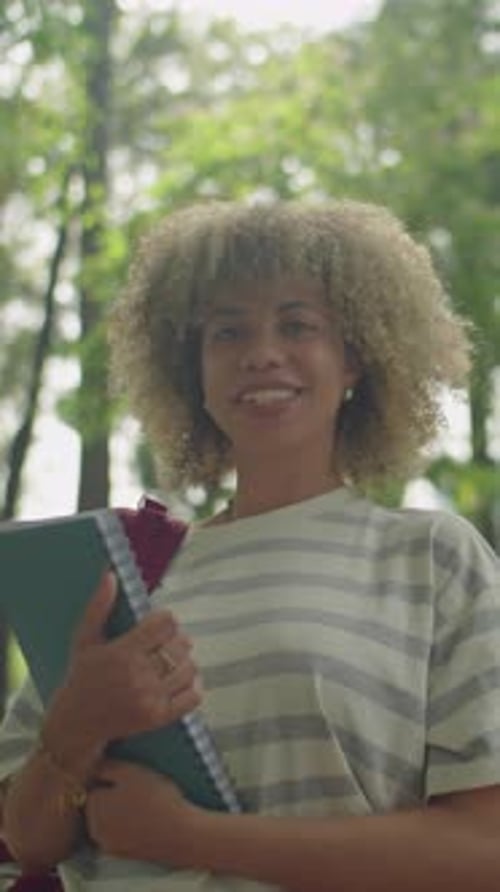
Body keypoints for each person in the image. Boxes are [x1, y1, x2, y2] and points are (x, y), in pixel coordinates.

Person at [0, 199, 499, 892]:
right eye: (227, 332)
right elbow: (24, 839)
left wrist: (194, 838)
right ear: (194, 373)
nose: (261, 353)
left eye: (297, 324)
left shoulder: (433, 558)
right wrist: (77, 727)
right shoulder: (125, 574)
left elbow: (483, 850)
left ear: (354, 357)